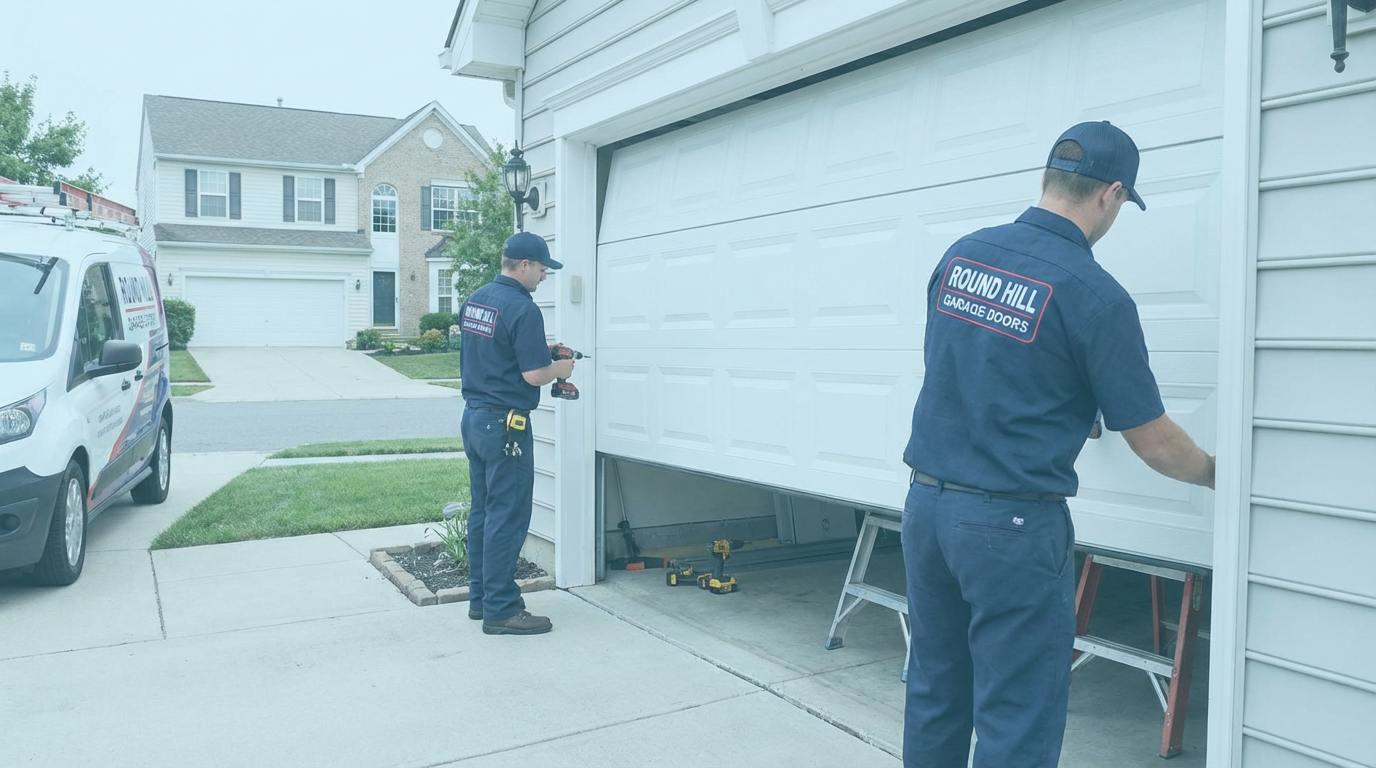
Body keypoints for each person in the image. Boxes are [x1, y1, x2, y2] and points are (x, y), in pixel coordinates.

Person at [899, 121, 1215, 767]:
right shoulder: (1095, 295)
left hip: (926, 509)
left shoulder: (962, 255)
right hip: (1010, 527)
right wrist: (1221, 473)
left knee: (936, 686)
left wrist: (1066, 402)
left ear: (1049, 179)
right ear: (1112, 194)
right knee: (1018, 710)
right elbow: (1155, 443)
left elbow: (973, 360)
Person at [458, 231, 575, 636]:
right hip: (506, 426)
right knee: (507, 517)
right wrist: (559, 368)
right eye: (542, 268)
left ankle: (481, 600)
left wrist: (541, 353)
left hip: (475, 419)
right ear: (524, 265)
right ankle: (502, 610)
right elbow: (533, 375)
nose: (544, 275)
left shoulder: (476, 300)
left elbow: (499, 354)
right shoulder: (523, 308)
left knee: (483, 512)